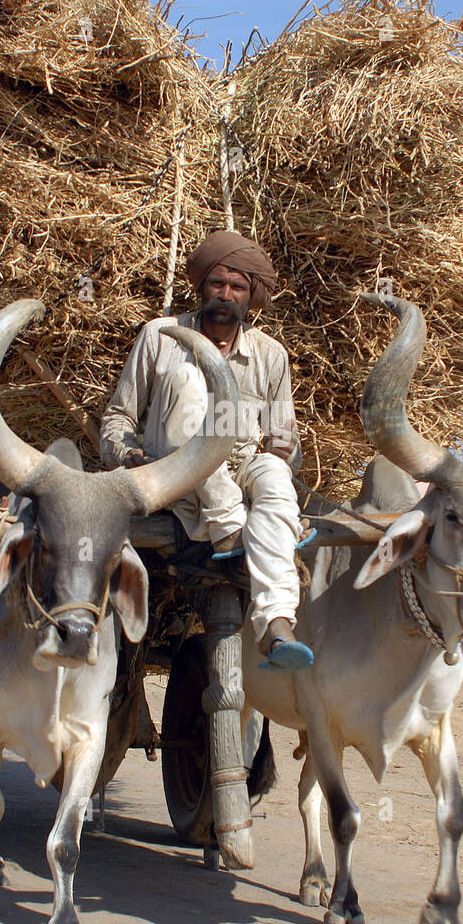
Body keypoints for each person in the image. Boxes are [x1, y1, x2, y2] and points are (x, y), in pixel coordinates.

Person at [100, 228, 314, 669]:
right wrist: (127, 457)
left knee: (275, 479)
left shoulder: (271, 355)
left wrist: (283, 452)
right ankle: (231, 529)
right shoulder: (162, 335)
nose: (226, 294)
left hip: (242, 466)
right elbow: (118, 420)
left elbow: (281, 442)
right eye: (217, 283)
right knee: (189, 382)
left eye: (238, 287)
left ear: (250, 296)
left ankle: (275, 621)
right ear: (200, 287)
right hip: (173, 468)